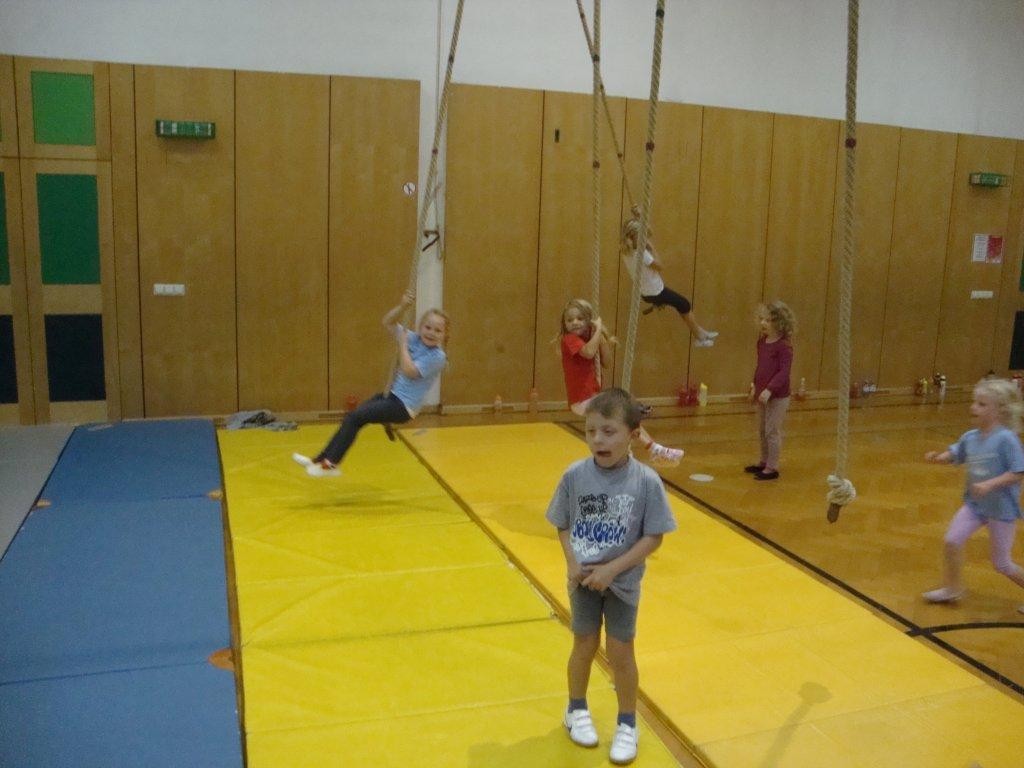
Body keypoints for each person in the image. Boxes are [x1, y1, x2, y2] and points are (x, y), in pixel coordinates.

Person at [546, 387, 677, 765]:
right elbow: (562, 523)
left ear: (633, 435)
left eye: (608, 431)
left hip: (622, 585)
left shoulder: (646, 481)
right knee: (584, 646)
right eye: (591, 431)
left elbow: (654, 537)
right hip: (583, 582)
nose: (598, 440)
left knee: (621, 652)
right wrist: (572, 563)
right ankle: (576, 709)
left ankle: (627, 722)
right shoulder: (575, 475)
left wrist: (612, 569)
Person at [292, 292, 448, 477]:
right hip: (391, 396)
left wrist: (402, 345)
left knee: (354, 418)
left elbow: (409, 371)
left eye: (437, 330)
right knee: (352, 418)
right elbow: (387, 322)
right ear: (420, 327)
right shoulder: (413, 338)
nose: (431, 333)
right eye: (427, 327)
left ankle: (331, 465)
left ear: (445, 335)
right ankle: (320, 460)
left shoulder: (438, 357)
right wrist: (402, 307)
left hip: (403, 407)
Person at [922, 378, 1024, 615]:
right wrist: (939, 458)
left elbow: (1018, 472)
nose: (973, 407)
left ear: (999, 411)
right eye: (974, 402)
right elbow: (956, 453)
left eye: (981, 404)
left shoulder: (1006, 439)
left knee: (1002, 564)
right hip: (975, 505)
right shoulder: (971, 437)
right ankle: (952, 588)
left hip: (1000, 510)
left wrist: (990, 484)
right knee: (952, 541)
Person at [559, 298, 683, 467]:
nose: (574, 322)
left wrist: (600, 336)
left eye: (580, 318)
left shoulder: (590, 339)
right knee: (623, 409)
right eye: (569, 320)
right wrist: (597, 330)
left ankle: (652, 448)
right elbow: (588, 353)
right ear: (564, 324)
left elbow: (607, 362)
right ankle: (652, 447)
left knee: (625, 418)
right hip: (582, 400)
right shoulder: (569, 339)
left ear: (589, 321)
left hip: (592, 398)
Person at [621, 205, 717, 347]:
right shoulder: (642, 254)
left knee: (681, 305)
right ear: (636, 237)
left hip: (647, 291)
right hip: (655, 292)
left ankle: (700, 332)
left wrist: (639, 217)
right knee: (684, 304)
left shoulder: (625, 250)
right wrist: (652, 248)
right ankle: (700, 337)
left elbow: (648, 232)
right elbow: (660, 266)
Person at [745, 301, 795, 481]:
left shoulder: (784, 346)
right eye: (762, 319)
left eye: (768, 320)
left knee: (772, 431)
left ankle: (772, 467)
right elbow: (761, 367)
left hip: (778, 397)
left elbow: (784, 372)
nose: (763, 323)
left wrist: (770, 389)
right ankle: (764, 461)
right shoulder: (762, 342)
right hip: (763, 394)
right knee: (762, 430)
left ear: (779, 323)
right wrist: (754, 386)